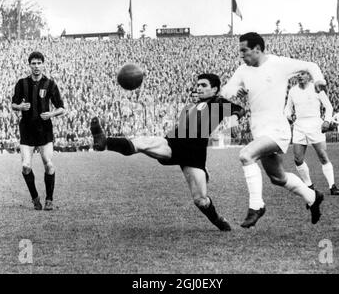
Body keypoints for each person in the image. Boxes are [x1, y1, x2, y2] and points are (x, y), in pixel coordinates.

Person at [90, 73, 245, 231]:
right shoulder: (193, 105)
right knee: (144, 142)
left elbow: (239, 110)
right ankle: (105, 142)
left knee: (200, 200)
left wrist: (232, 121)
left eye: (203, 85)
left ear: (214, 89)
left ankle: (218, 220)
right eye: (197, 85)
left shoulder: (218, 103)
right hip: (173, 143)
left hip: (194, 155)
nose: (199, 88)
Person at [221, 32, 325, 228]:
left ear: (257, 49)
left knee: (246, 155)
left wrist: (318, 80)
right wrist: (236, 90)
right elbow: (226, 90)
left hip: (278, 129)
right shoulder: (243, 70)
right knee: (278, 178)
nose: (241, 55)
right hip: (259, 129)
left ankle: (256, 206)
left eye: (244, 50)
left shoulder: (279, 64)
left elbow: (311, 66)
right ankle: (313, 197)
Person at [11, 51, 65, 211]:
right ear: (29, 65)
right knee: (26, 166)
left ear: (43, 64)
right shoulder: (21, 83)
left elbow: (61, 108)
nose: (36, 66)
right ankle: (35, 198)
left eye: (39, 63)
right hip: (27, 130)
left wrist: (51, 114)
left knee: (49, 165)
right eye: (33, 63)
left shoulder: (50, 84)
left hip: (44, 131)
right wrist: (20, 107)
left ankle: (49, 200)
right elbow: (13, 104)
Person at [284, 71, 339, 195]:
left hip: (315, 124)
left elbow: (329, 107)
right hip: (299, 125)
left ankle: (332, 186)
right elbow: (288, 108)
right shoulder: (293, 91)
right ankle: (309, 185)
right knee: (298, 159)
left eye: (303, 74)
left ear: (309, 76)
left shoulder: (316, 88)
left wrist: (327, 121)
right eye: (298, 74)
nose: (300, 76)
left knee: (322, 155)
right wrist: (288, 115)